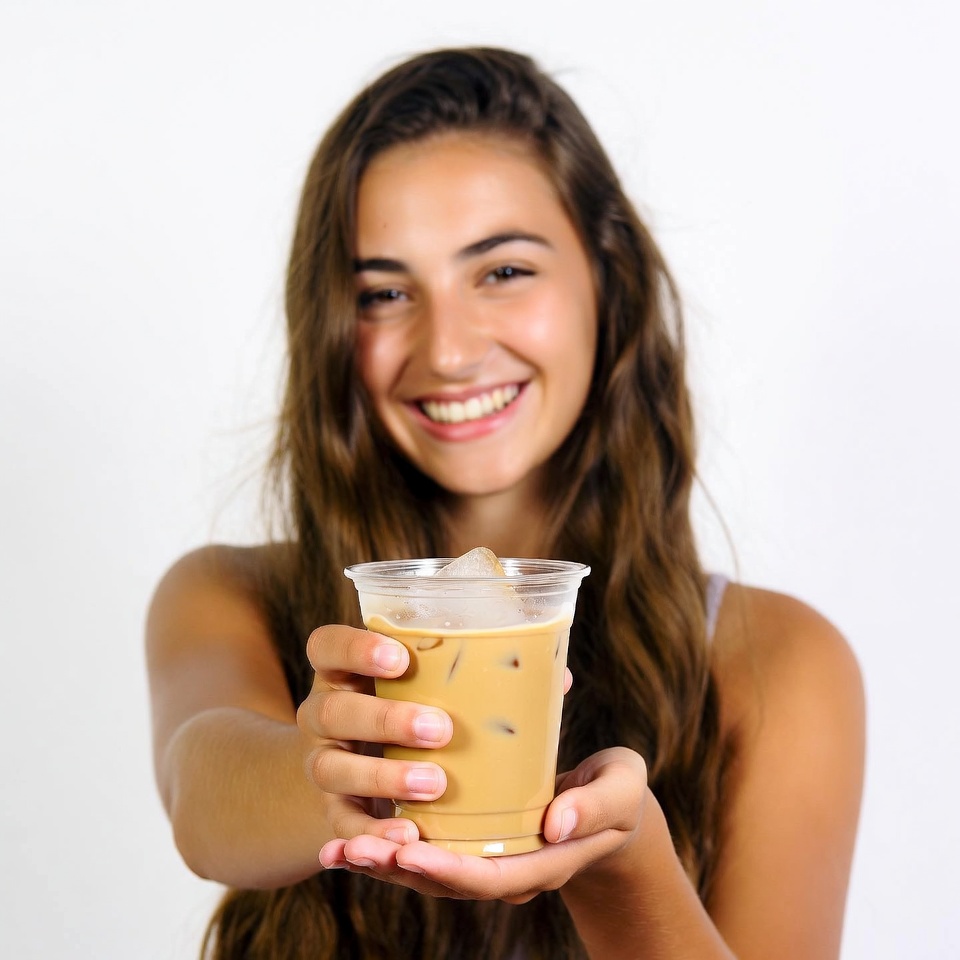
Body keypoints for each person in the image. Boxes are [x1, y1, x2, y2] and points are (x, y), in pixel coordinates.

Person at [146, 46, 865, 960]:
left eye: (503, 271)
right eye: (386, 292)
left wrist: (622, 864)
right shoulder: (230, 596)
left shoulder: (781, 665)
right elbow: (201, 794)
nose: (447, 350)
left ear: (607, 278)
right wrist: (333, 772)